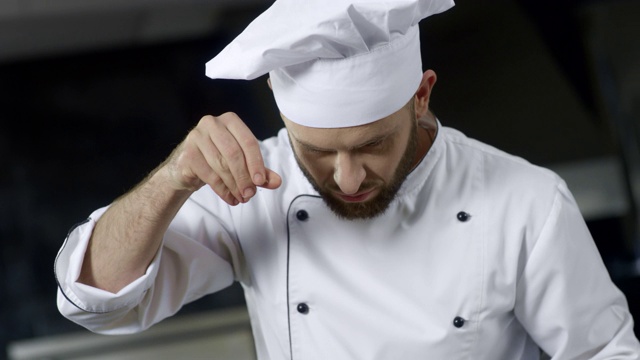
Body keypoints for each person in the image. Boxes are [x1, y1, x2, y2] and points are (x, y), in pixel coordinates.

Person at [55, 0, 640, 358]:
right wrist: (175, 178)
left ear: (421, 95)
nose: (348, 176)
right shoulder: (258, 182)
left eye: (372, 145)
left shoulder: (526, 202)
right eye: (318, 151)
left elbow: (603, 353)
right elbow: (96, 301)